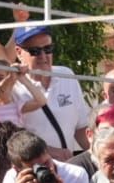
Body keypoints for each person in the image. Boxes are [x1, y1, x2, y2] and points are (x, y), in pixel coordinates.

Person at [14, 27, 92, 160]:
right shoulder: (13, 87)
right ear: (19, 52)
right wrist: (47, 151)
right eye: (35, 51)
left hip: (68, 168)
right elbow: (12, 139)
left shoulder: (66, 75)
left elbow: (81, 128)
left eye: (48, 49)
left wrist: (99, 153)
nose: (43, 56)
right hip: (34, 170)